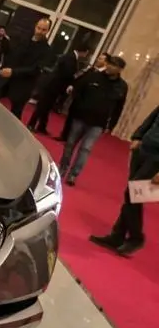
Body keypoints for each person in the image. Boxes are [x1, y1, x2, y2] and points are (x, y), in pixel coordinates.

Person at [90, 102, 159, 257]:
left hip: (157, 160)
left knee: (134, 193)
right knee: (132, 194)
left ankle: (136, 237)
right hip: (143, 149)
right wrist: (137, 136)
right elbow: (153, 117)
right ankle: (118, 235)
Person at [58, 55, 127, 186]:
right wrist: (77, 108)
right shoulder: (94, 76)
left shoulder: (122, 86)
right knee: (70, 144)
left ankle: (73, 175)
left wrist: (111, 125)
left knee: (86, 148)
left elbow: (119, 107)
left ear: (120, 69)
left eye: (114, 65)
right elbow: (78, 90)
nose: (110, 67)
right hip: (80, 117)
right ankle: (62, 168)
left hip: (98, 123)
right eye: (109, 63)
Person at [0, 17, 52, 118]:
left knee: (14, 116)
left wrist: (13, 72)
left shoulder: (47, 50)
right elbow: (10, 53)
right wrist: (3, 41)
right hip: (5, 79)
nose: (39, 31)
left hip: (22, 86)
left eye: (43, 30)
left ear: (48, 31)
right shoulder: (23, 39)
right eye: (38, 28)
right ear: (35, 26)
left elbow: (35, 69)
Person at [27, 44, 88, 135]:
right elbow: (67, 73)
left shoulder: (70, 57)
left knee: (47, 106)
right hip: (53, 85)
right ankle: (31, 124)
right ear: (84, 52)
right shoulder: (71, 58)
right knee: (43, 106)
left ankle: (41, 126)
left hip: (54, 85)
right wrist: (75, 77)